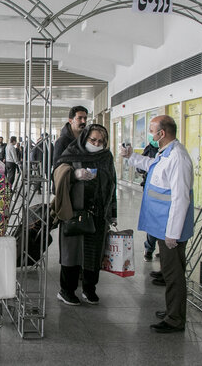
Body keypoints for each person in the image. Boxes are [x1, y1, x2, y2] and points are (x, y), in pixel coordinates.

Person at [120, 115, 194, 333]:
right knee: (171, 272)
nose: (150, 135)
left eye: (152, 131)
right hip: (162, 225)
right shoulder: (167, 153)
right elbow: (152, 165)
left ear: (162, 134)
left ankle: (175, 319)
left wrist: (172, 233)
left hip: (170, 229)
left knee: (173, 274)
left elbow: (181, 198)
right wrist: (131, 156)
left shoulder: (178, 158)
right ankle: (173, 310)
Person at [54, 124, 117, 306]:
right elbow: (56, 176)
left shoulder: (106, 156)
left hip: (98, 213)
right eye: (93, 140)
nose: (96, 143)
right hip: (74, 213)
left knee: (93, 253)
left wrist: (112, 212)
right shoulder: (71, 152)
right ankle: (67, 290)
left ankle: (90, 289)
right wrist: (74, 175)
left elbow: (112, 183)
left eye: (100, 141)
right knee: (71, 253)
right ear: (85, 138)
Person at [137, 142, 160, 263]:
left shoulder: (173, 152)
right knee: (155, 222)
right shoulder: (150, 149)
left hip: (161, 195)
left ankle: (152, 249)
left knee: (157, 223)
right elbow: (140, 167)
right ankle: (150, 249)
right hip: (152, 191)